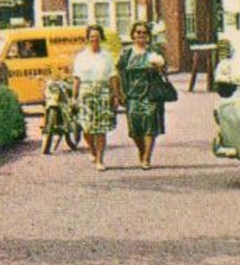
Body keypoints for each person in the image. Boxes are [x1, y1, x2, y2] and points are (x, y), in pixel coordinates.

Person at [118, 20, 168, 170]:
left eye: (144, 32)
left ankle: (146, 158)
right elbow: (120, 73)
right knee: (134, 128)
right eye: (138, 32)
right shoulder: (126, 53)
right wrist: (121, 93)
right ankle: (142, 150)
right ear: (133, 35)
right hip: (132, 94)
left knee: (150, 124)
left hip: (150, 93)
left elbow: (164, 72)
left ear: (148, 36)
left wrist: (159, 68)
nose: (141, 35)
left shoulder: (154, 52)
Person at [70, 23, 121, 172]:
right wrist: (74, 97)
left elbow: (113, 76)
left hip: (103, 92)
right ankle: (92, 149)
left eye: (97, 37)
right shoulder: (81, 57)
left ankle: (100, 159)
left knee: (101, 128)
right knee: (87, 128)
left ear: (101, 38)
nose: (95, 39)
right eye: (92, 37)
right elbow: (76, 78)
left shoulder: (107, 55)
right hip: (85, 92)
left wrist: (116, 95)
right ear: (87, 38)